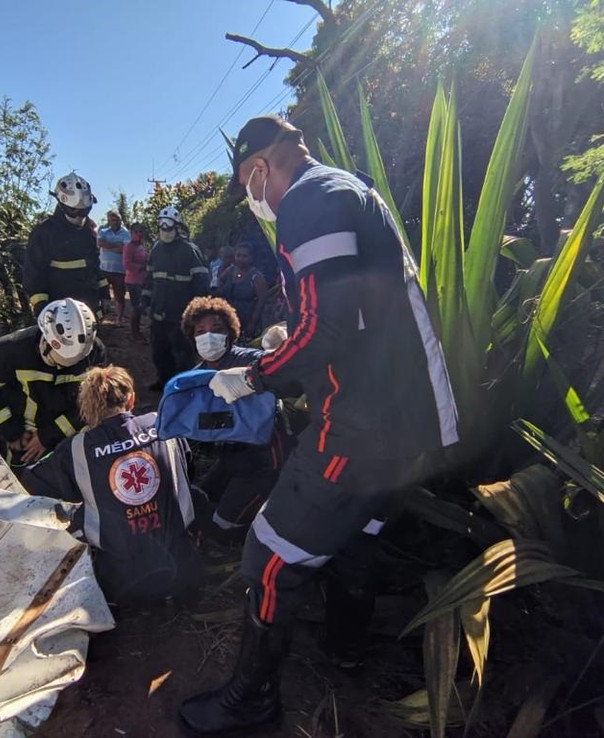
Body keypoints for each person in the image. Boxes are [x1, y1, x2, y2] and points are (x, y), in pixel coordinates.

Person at [178, 116, 459, 734]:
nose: (257, 201)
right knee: (357, 534)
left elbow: (323, 329)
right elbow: (347, 317)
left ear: (258, 168)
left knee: (269, 555)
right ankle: (346, 649)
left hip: (359, 426)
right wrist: (288, 344)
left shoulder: (309, 199)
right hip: (411, 425)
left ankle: (251, 701)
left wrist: (254, 374)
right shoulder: (347, 189)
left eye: (249, 187)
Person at [24, 366, 204, 606]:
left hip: (120, 588)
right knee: (197, 497)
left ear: (87, 407)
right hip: (184, 577)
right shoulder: (161, 424)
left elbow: (31, 484)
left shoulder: (76, 449)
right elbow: (188, 469)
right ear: (131, 398)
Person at [180, 297, 292, 540]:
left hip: (264, 462)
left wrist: (279, 351)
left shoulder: (248, 360)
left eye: (217, 330)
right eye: (201, 331)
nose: (208, 336)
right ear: (192, 336)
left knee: (222, 528)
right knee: (193, 499)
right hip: (232, 457)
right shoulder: (197, 375)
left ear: (230, 332)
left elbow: (277, 368)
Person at [0, 298, 106, 465]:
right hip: (25, 436)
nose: (67, 366)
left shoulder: (94, 352)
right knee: (21, 480)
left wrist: (50, 435)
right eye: (60, 360)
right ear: (47, 341)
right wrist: (11, 429)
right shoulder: (10, 351)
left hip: (71, 432)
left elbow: (93, 400)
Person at [23, 172, 109, 318]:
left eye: (84, 211)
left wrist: (105, 295)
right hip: (58, 309)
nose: (79, 216)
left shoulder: (87, 231)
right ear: (62, 204)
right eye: (74, 210)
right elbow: (34, 273)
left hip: (89, 307)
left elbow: (95, 265)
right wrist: (41, 307)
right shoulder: (44, 232)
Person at [141, 206, 209, 391]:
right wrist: (145, 301)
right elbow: (149, 278)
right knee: (159, 351)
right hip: (159, 313)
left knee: (183, 354)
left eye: (169, 228)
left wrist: (197, 312)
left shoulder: (190, 251)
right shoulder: (156, 249)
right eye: (162, 228)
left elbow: (201, 282)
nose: (165, 231)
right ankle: (163, 381)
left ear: (177, 227)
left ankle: (183, 388)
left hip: (180, 314)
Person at [217, 242, 269, 339]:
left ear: (251, 258)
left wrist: (252, 323)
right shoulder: (230, 270)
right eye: (238, 256)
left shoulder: (256, 277)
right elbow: (220, 280)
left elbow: (261, 301)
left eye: (245, 256)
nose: (240, 259)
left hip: (247, 320)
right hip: (229, 319)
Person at [98, 210, 131, 323]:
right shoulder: (103, 231)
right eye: (112, 220)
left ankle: (119, 319)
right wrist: (116, 246)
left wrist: (107, 247)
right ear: (109, 220)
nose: (115, 222)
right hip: (104, 269)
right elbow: (100, 244)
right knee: (102, 294)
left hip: (119, 271)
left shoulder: (126, 233)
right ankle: (101, 317)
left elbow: (124, 249)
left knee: (119, 296)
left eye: (117, 219)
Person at [123, 222, 150, 342]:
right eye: (136, 232)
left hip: (143, 280)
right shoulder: (128, 247)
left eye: (140, 232)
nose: (139, 234)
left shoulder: (142, 246)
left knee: (142, 306)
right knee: (136, 307)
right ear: (131, 233)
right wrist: (142, 267)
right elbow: (127, 264)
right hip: (133, 281)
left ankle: (139, 330)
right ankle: (135, 332)